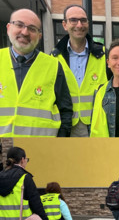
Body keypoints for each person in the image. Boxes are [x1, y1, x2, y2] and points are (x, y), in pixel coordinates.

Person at [0, 8, 73, 137]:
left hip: (41, 148)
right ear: (8, 28)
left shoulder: (53, 65)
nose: (25, 32)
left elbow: (65, 110)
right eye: (19, 25)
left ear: (39, 36)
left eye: (32, 29)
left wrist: (61, 143)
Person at [50, 4, 112, 137]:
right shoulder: (54, 58)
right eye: (73, 20)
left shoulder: (103, 54)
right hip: (66, 126)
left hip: (97, 125)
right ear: (65, 24)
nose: (79, 25)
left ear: (88, 24)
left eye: (83, 20)